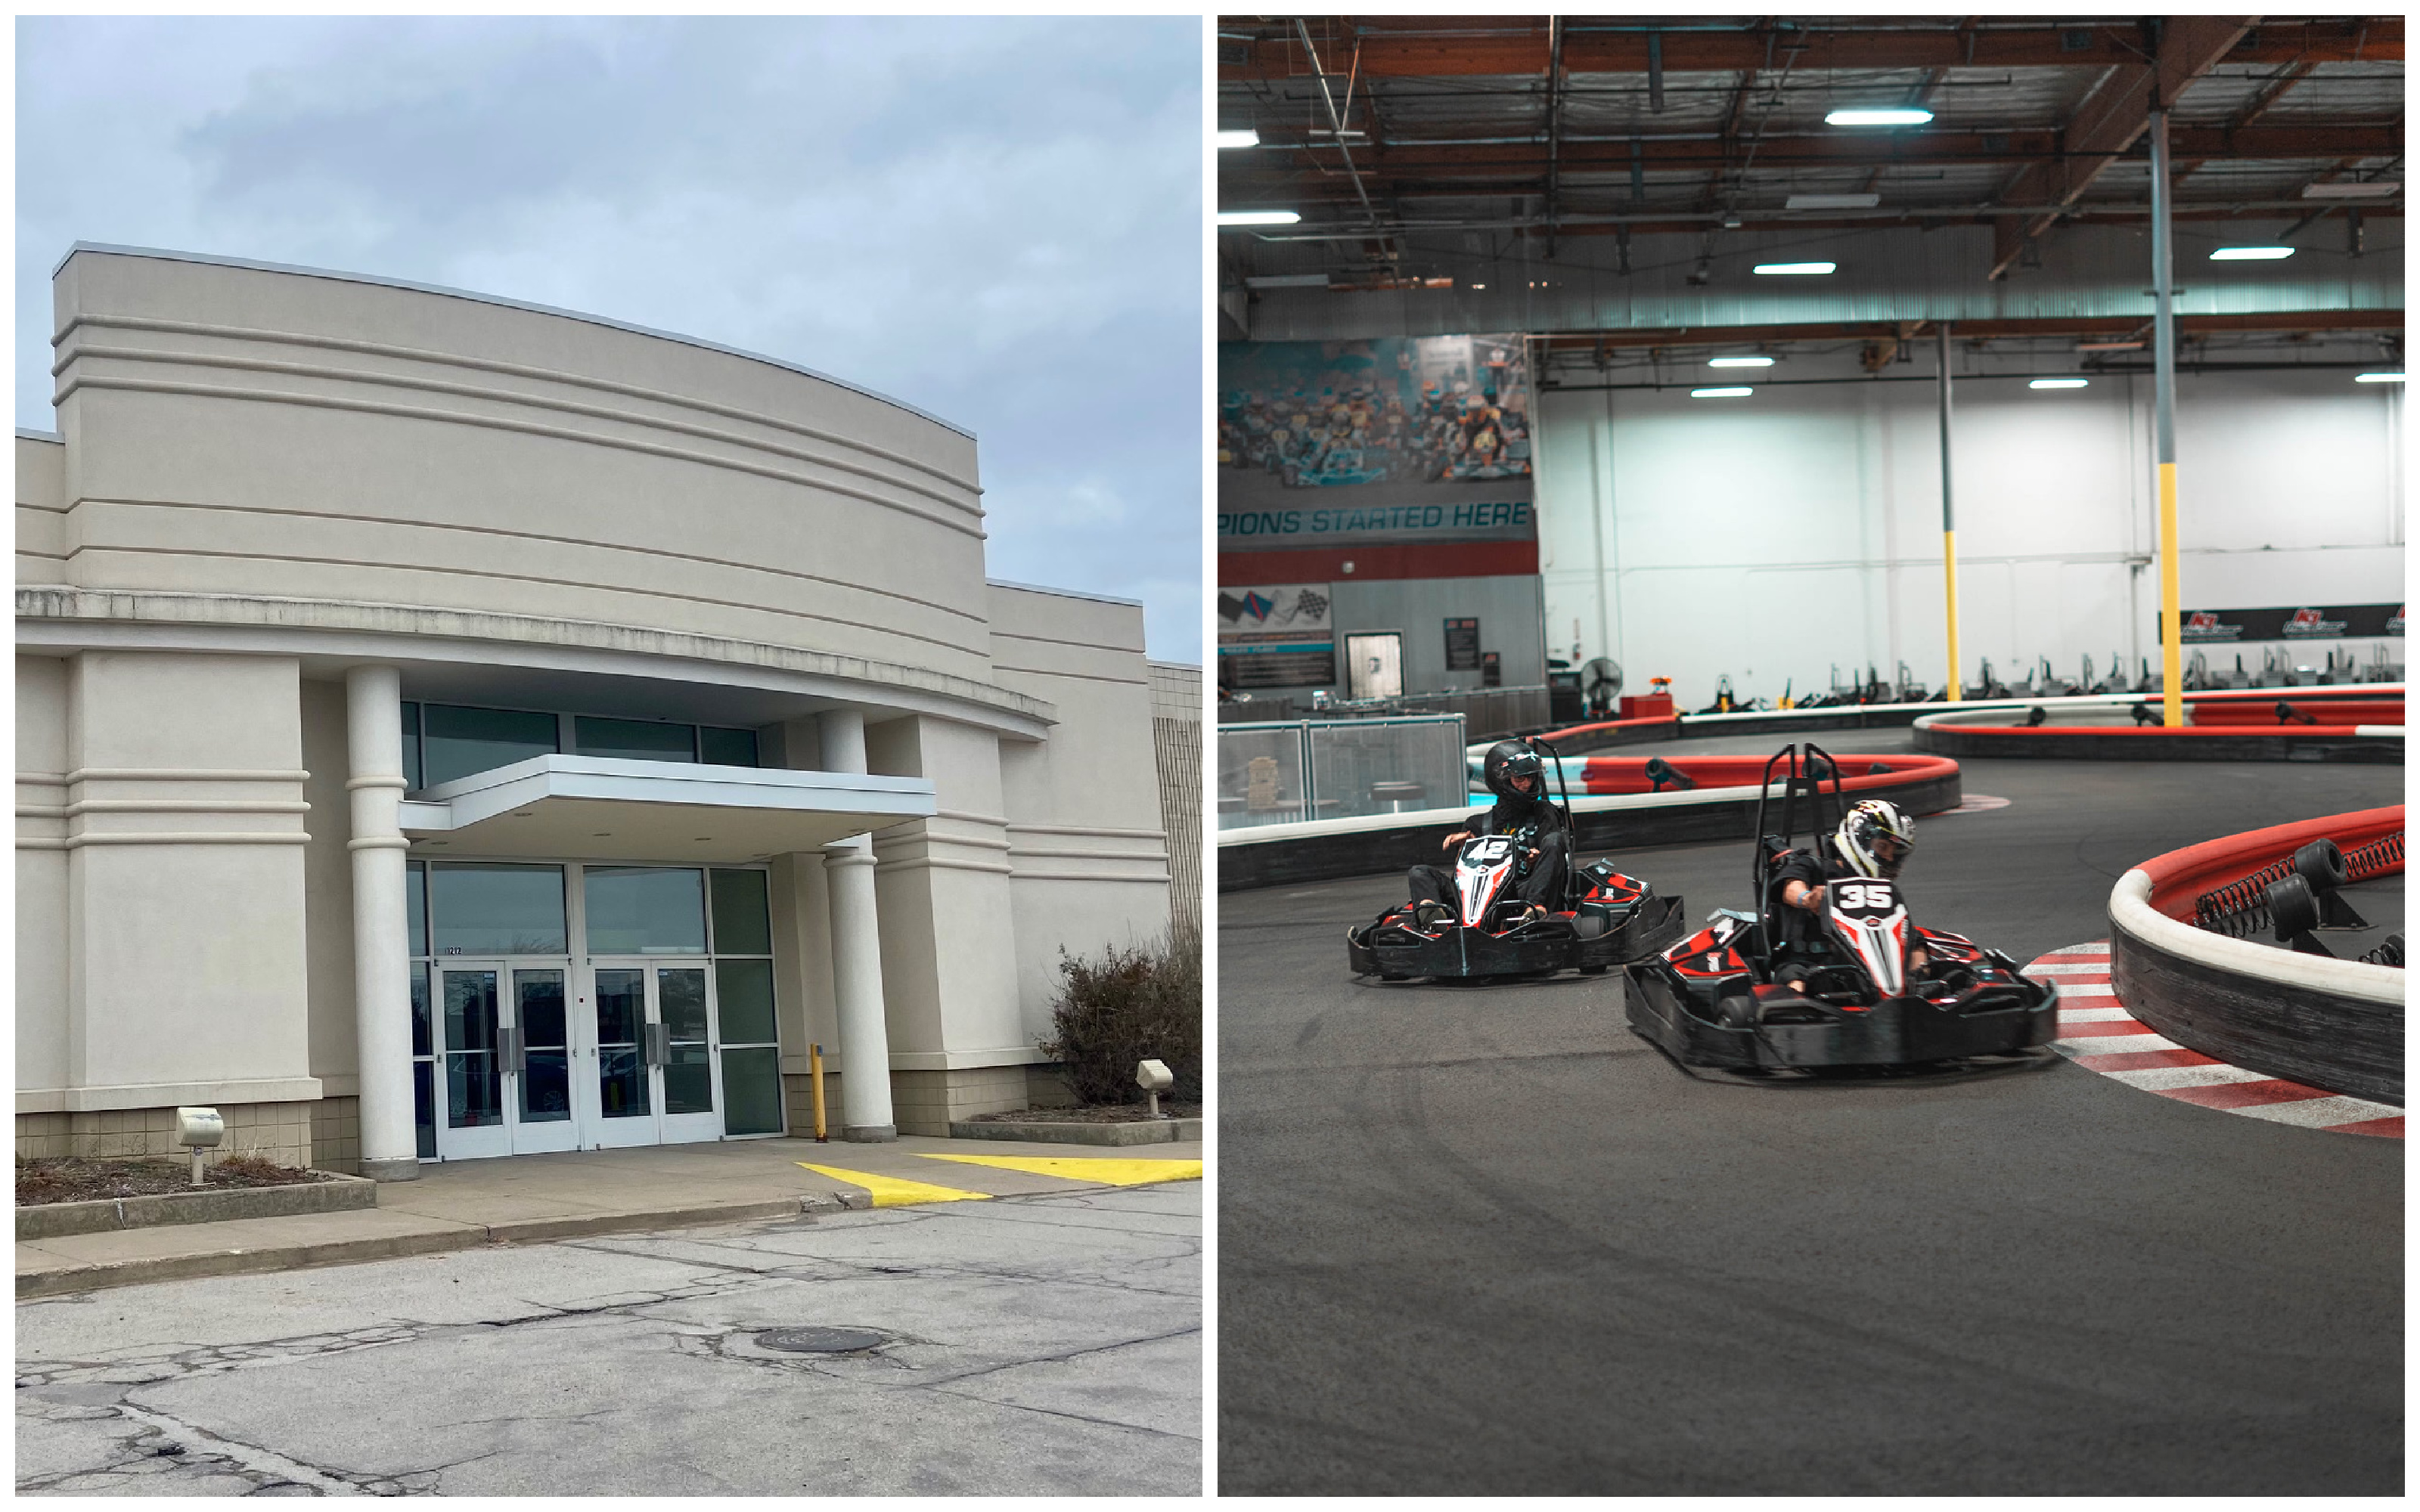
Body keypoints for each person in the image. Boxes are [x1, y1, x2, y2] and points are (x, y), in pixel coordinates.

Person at [1407, 740, 1571, 927]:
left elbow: (1554, 855)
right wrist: (1465, 850)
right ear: (1501, 780)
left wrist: (1537, 859)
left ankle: (1533, 913)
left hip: (1521, 892)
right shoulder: (1476, 824)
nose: (1527, 784)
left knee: (1554, 839)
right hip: (1480, 897)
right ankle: (1434, 919)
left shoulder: (1543, 812)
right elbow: (1462, 880)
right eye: (1520, 778)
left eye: (1531, 777)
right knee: (1419, 872)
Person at [1767, 798, 1919, 990]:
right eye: (1883, 847)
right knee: (1796, 981)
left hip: (1866, 967)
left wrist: (1918, 971)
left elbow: (1908, 935)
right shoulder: (1813, 867)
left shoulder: (1880, 889)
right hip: (1809, 961)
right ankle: (1790, 1011)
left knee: (1922, 950)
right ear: (1860, 837)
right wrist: (1806, 898)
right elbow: (1789, 888)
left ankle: (1915, 997)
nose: (1889, 858)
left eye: (1895, 853)